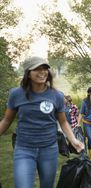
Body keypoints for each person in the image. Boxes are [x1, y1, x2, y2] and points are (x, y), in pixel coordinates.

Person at [0, 56, 84, 188]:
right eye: (37, 69)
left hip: (49, 149)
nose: (42, 72)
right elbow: (6, 120)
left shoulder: (56, 95)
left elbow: (63, 122)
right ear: (28, 73)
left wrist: (73, 140)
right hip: (24, 149)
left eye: (45, 69)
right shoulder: (16, 94)